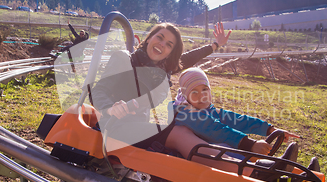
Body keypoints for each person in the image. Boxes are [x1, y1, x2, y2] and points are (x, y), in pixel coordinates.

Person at [91, 22, 230, 149]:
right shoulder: (125, 59)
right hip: (115, 125)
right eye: (160, 38)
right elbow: (98, 90)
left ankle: (230, 159)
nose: (162, 44)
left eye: (169, 44)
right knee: (178, 134)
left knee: (187, 129)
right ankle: (233, 170)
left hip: (138, 127)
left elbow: (188, 58)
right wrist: (110, 108)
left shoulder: (161, 70)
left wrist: (216, 45)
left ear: (170, 52)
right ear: (149, 38)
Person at [168, 67, 320, 181]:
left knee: (230, 148)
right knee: (226, 147)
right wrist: (248, 144)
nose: (201, 95)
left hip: (219, 153)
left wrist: (268, 129)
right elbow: (213, 129)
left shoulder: (209, 109)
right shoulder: (184, 111)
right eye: (194, 92)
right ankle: (275, 174)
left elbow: (237, 119)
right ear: (185, 95)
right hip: (203, 156)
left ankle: (300, 176)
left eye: (204, 89)